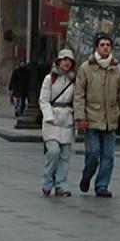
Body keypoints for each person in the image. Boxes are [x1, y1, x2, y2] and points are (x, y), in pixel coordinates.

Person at [74, 34, 120, 197]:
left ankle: (102, 185)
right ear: (96, 48)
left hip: (110, 119)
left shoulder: (116, 68)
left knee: (108, 156)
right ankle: (87, 176)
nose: (105, 47)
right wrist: (80, 117)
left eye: (108, 45)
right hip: (91, 118)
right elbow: (79, 95)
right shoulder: (86, 68)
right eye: (102, 45)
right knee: (93, 153)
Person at [39, 49, 77, 197]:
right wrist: (48, 115)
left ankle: (61, 184)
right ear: (59, 61)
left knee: (65, 155)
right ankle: (47, 180)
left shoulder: (74, 80)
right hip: (53, 119)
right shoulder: (50, 78)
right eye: (64, 60)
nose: (67, 63)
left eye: (69, 60)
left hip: (67, 119)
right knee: (53, 151)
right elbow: (43, 99)